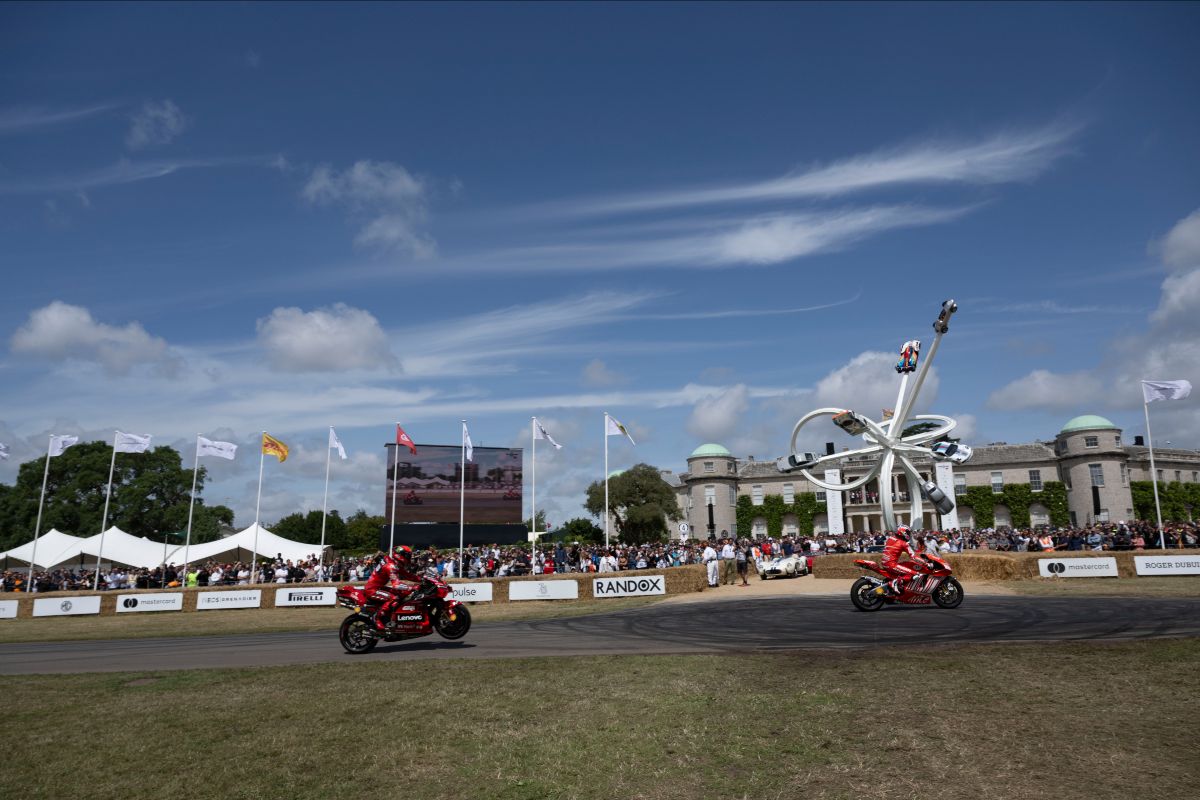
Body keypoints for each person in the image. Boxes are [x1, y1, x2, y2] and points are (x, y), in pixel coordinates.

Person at [363, 545, 423, 632]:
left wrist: (421, 580)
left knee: (402, 594)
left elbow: (407, 575)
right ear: (401, 555)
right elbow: (397, 585)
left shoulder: (393, 562)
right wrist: (412, 587)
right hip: (372, 590)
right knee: (393, 598)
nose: (409, 558)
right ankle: (376, 618)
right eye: (408, 556)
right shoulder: (391, 566)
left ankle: (392, 618)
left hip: (378, 587)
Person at [880, 525, 922, 596]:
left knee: (905, 566)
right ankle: (894, 583)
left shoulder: (890, 538)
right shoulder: (904, 544)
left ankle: (895, 588)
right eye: (908, 533)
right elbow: (913, 556)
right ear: (903, 532)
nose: (909, 534)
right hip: (891, 564)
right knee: (915, 574)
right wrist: (926, 563)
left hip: (884, 563)